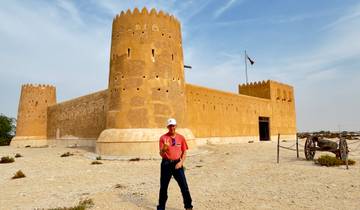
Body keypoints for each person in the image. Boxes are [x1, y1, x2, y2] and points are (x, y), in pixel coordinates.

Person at [157, 118, 193, 210]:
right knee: (163, 187)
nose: (171, 127)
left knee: (184, 186)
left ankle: (188, 206)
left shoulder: (181, 138)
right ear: (167, 127)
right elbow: (161, 154)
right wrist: (164, 148)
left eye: (173, 125)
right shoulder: (163, 138)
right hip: (166, 164)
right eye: (170, 126)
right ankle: (161, 207)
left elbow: (184, 152)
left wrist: (181, 162)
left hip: (178, 164)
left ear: (176, 126)